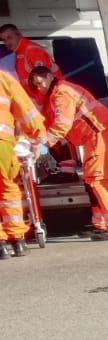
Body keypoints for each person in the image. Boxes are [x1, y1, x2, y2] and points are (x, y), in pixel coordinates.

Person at [28, 66, 108, 239]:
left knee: (96, 181)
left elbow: (62, 124)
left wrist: (44, 143)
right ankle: (101, 223)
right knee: (91, 182)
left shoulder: (61, 93)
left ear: (49, 77)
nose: (39, 87)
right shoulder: (59, 93)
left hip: (100, 135)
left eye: (40, 82)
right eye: (36, 86)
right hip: (97, 136)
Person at [0, 67, 45, 257]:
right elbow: (26, 111)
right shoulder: (4, 78)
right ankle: (18, 240)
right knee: (8, 187)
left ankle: (1, 245)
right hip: (3, 141)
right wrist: (36, 138)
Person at [0, 25, 60, 105]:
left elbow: (46, 82)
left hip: (47, 102)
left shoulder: (33, 51)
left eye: (9, 37)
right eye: (4, 40)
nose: (7, 43)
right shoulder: (19, 53)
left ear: (19, 34)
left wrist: (39, 104)